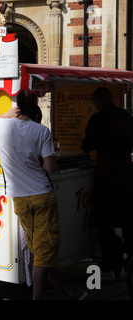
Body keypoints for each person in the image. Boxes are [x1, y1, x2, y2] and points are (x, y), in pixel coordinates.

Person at [0, 90, 75, 300]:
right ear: (36, 115)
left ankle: (65, 295)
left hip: (19, 198)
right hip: (42, 195)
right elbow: (50, 167)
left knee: (37, 249)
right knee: (45, 250)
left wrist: (4, 115)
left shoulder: (2, 125)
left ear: (18, 112)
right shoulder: (41, 131)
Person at [82, 87, 133, 280]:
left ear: (98, 101)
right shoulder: (126, 116)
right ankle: (130, 261)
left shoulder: (98, 118)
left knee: (106, 220)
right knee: (128, 218)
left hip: (108, 174)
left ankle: (109, 265)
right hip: (127, 171)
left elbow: (87, 146)